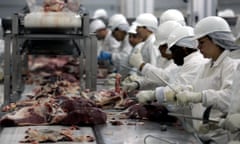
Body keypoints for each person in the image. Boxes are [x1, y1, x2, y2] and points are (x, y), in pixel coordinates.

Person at [165, 16, 239, 143]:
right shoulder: (207, 65)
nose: (198, 47)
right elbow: (196, 86)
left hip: (220, 138)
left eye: (202, 42)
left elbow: (229, 98)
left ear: (216, 40)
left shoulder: (230, 64)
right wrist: (183, 90)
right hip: (204, 134)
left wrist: (198, 97)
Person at [122, 21, 181, 91]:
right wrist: (138, 84)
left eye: (162, 46)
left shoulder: (179, 61)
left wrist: (141, 65)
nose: (159, 49)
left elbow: (165, 77)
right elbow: (155, 78)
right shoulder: (162, 58)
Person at [98, 14, 132, 79]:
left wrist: (111, 56)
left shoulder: (129, 40)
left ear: (120, 29)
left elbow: (125, 58)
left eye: (113, 33)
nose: (113, 36)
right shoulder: (123, 41)